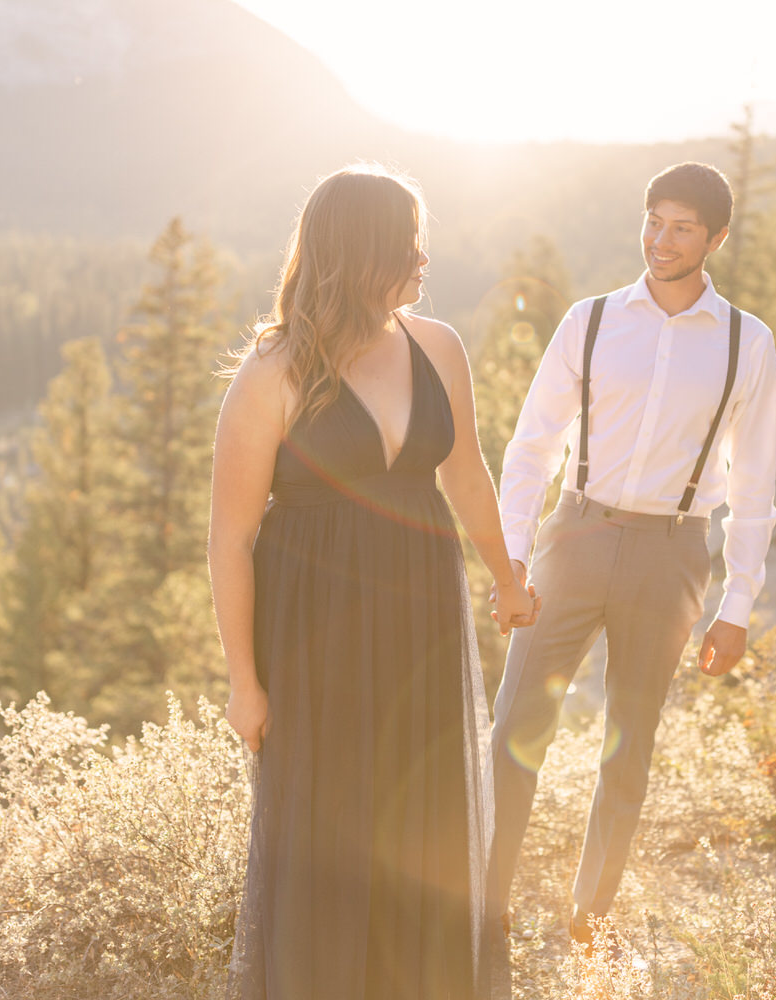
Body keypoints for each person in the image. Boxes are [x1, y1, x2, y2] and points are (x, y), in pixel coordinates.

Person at [209, 163, 533, 999]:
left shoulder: (438, 347)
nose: (424, 260)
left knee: (421, 821)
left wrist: (506, 577)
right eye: (406, 244)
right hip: (313, 633)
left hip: (422, 618)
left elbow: (465, 475)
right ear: (360, 252)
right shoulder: (272, 373)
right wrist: (245, 683)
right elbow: (232, 537)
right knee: (329, 838)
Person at [488, 161, 776, 948]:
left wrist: (738, 606)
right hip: (574, 537)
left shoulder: (747, 345)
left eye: (682, 226)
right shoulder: (588, 320)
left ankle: (591, 919)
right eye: (653, 220)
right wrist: (511, 559)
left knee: (630, 742)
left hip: (673, 553)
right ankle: (484, 903)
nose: (661, 239)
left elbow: (755, 486)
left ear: (716, 238)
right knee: (517, 723)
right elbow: (531, 446)